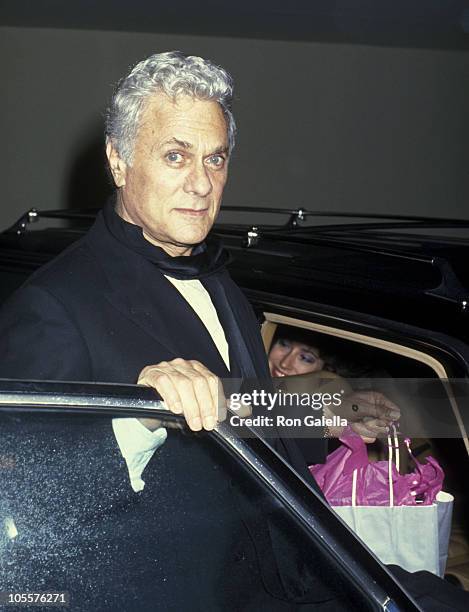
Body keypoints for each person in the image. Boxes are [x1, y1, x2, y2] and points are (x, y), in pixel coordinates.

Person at [2, 51, 464, 609]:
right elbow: (27, 510)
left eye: (215, 159)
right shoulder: (53, 304)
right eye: (176, 156)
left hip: (298, 563)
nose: (201, 183)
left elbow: (244, 410)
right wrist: (141, 417)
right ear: (119, 160)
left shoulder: (218, 279)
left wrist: (333, 416)